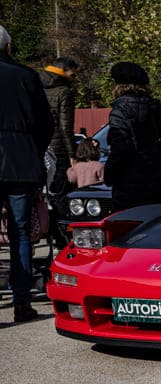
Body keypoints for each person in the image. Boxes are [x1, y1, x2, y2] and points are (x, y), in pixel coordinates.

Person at [0, 25, 53, 322]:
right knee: (21, 232)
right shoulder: (26, 76)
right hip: (21, 163)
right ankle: (22, 302)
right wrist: (31, 150)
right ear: (8, 47)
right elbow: (46, 124)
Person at [103, 61, 161, 211]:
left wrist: (109, 174)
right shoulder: (155, 108)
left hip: (129, 185)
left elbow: (121, 148)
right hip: (156, 181)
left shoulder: (121, 110)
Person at [39, 56, 78, 244]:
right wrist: (73, 154)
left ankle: (46, 234)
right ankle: (62, 240)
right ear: (63, 71)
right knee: (61, 197)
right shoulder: (64, 93)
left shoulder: (37, 87)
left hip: (39, 150)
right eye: (73, 72)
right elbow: (66, 128)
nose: (74, 76)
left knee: (44, 197)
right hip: (58, 151)